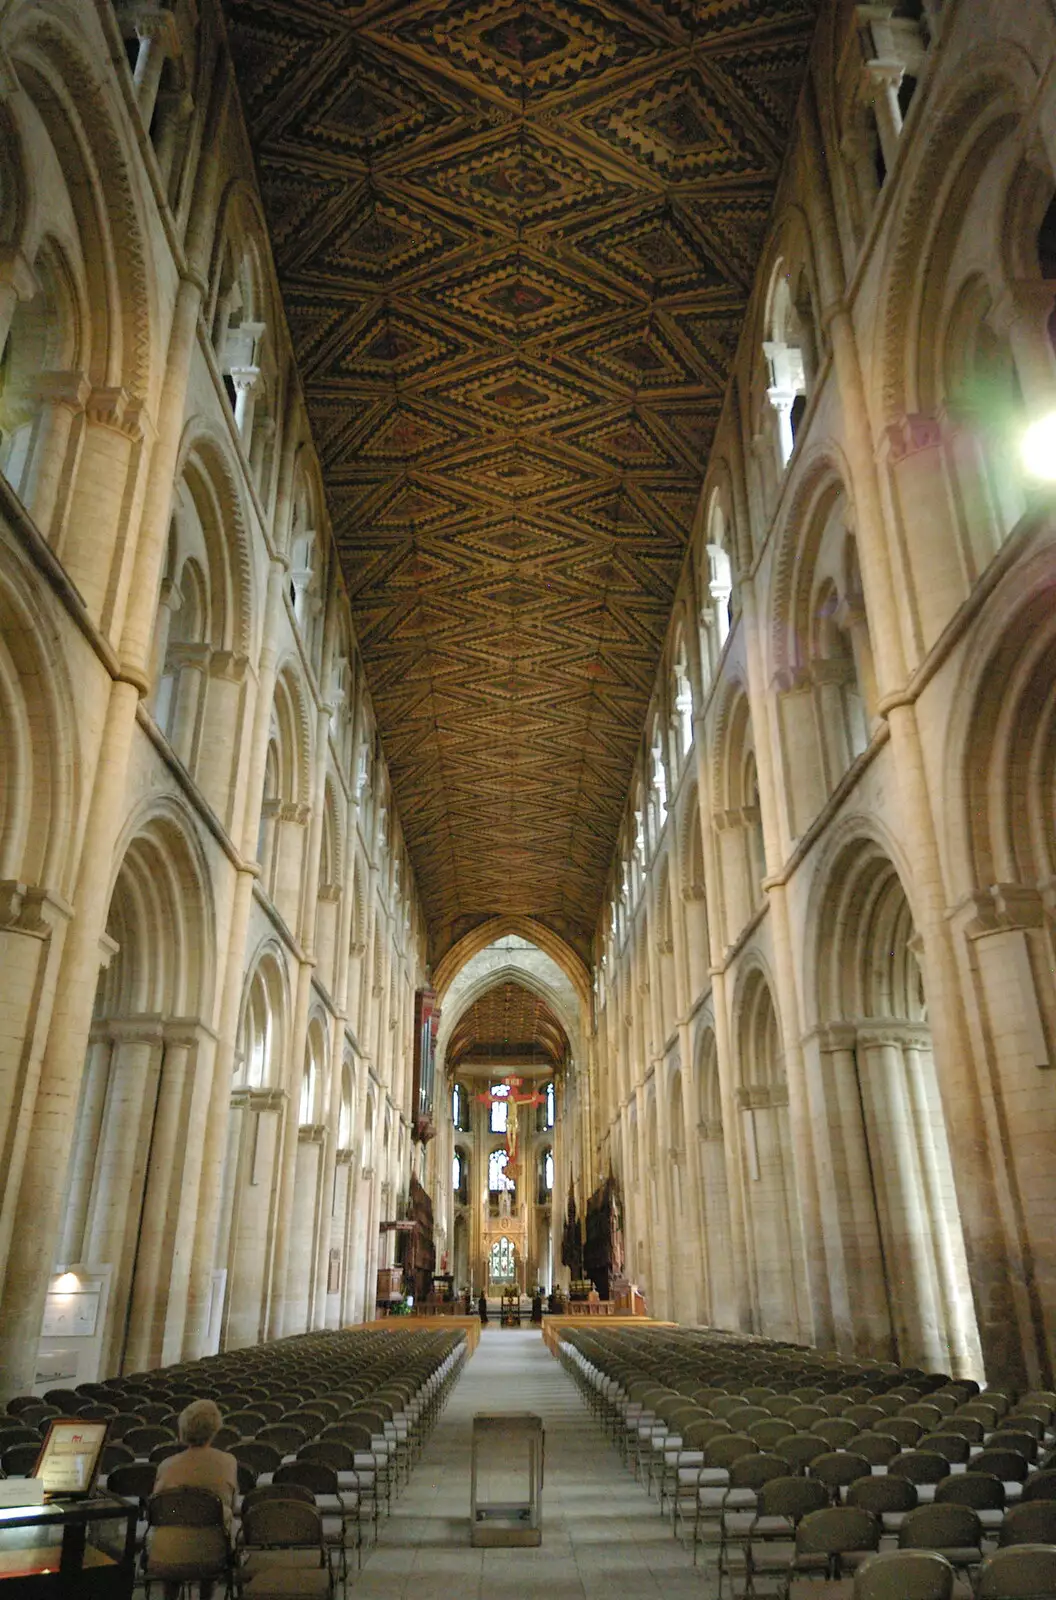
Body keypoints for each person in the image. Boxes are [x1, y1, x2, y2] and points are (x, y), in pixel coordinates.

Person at [151, 1399, 238, 1600]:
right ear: (215, 1428)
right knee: (215, 1526)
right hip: (210, 1554)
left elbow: (155, 1507)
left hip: (164, 1554)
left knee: (174, 1534)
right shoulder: (228, 1462)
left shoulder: (166, 1465)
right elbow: (232, 1504)